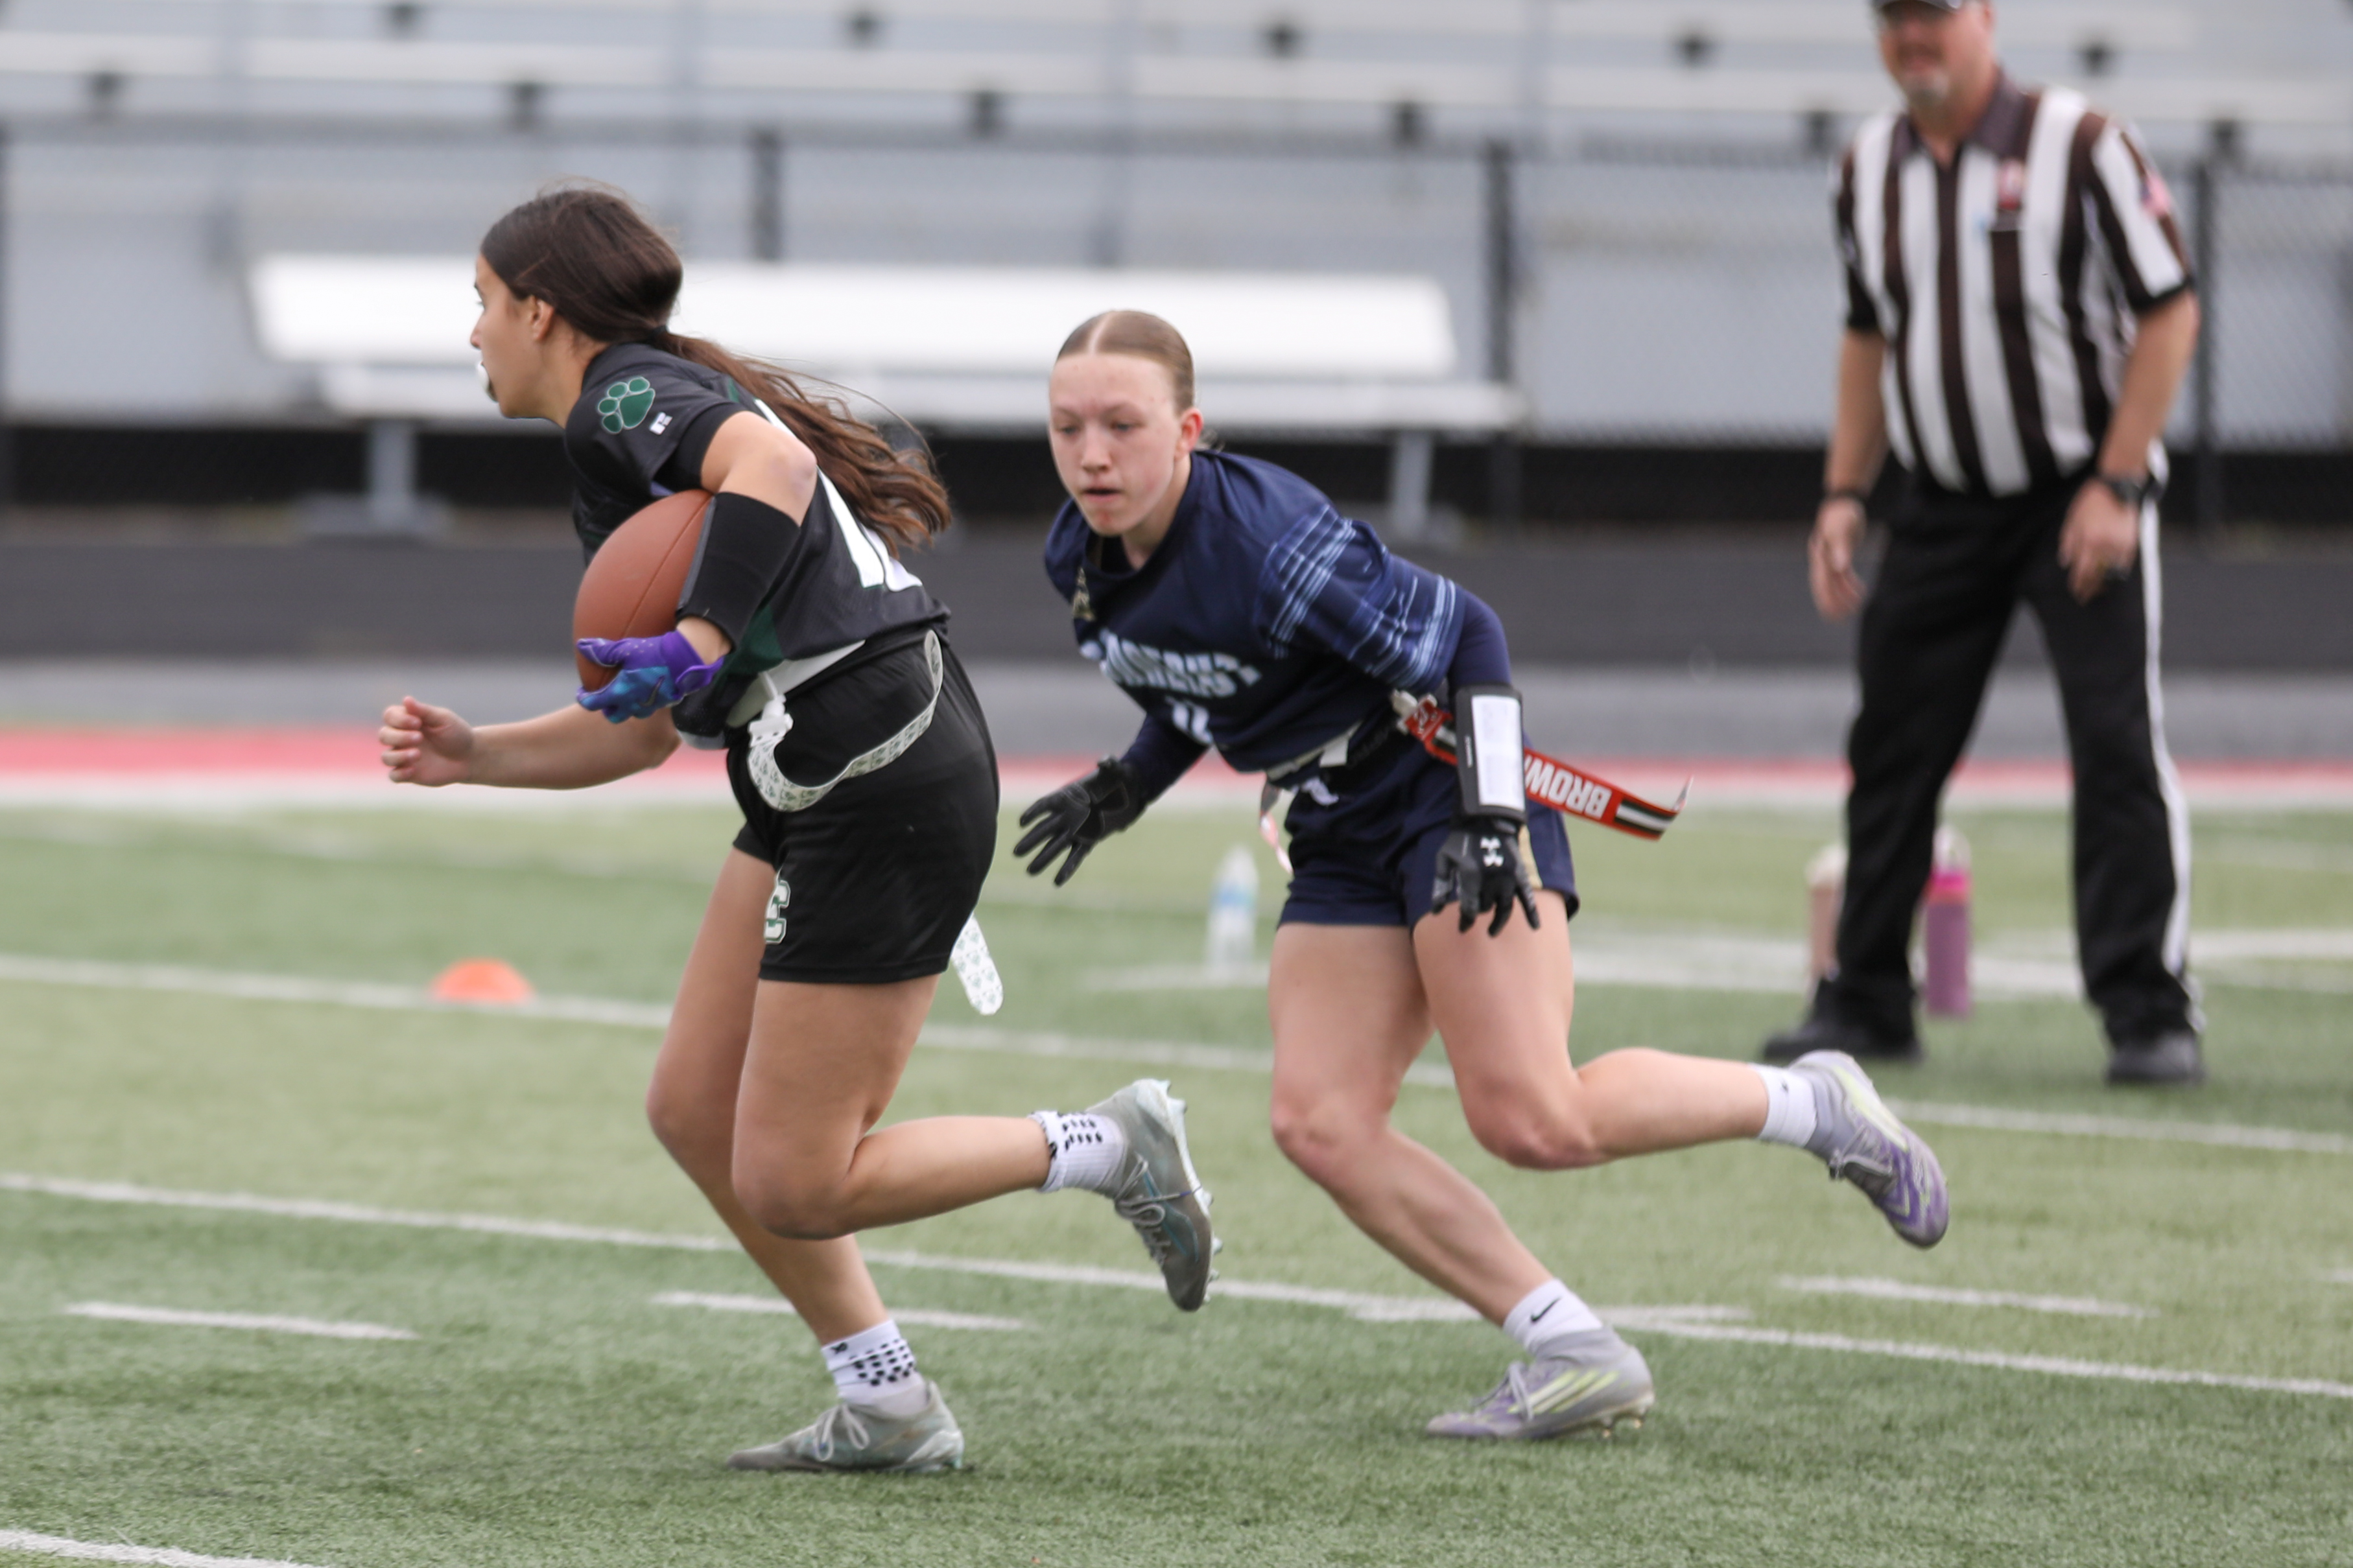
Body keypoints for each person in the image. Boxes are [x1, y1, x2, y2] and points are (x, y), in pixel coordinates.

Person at [377, 185, 1215, 1475]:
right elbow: (644, 729)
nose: (472, 333)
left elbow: (770, 470)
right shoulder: (623, 445)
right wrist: (478, 756)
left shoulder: (623, 396)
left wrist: (699, 634)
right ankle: (885, 1399)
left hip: (875, 767)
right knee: (692, 1107)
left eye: (483, 306)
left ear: (541, 311)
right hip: (821, 773)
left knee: (795, 1177)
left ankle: (1104, 1145)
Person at [1018, 309, 1950, 1442]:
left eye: (1122, 424)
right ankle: (1570, 1347)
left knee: (1533, 1118)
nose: (1093, 454)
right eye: (1069, 427)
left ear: (1190, 430)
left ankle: (1817, 1104)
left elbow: (1471, 636)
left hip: (1437, 792)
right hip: (1331, 826)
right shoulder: (1079, 552)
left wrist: (1495, 817)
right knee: (1318, 1122)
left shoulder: (1265, 541)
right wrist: (1128, 784)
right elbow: (1202, 687)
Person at [1761, 0, 2205, 1086]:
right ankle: (1865, 991)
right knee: (1892, 746)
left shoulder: (2081, 144)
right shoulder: (1866, 166)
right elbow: (1866, 334)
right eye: (1892, 16)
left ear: (1984, 18)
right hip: (1941, 499)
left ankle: (2146, 1007)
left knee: (2112, 743)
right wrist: (1841, 493)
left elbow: (2169, 309)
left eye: (1932, 13)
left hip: (2073, 496)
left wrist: (2115, 479)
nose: (1912, 36)